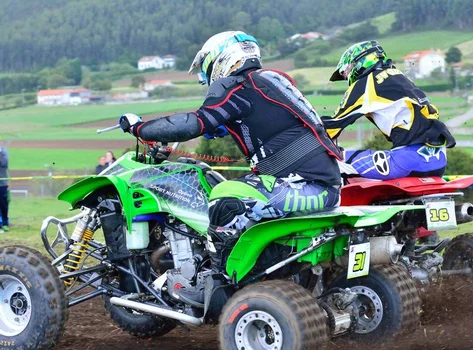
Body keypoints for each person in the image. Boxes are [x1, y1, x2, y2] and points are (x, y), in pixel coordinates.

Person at [118, 31, 342, 301]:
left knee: (224, 200)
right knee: (241, 196)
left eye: (205, 67)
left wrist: (139, 127)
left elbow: (193, 123)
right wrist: (222, 127)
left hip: (300, 187)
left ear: (220, 59)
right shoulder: (273, 80)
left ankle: (217, 288)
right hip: (324, 187)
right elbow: (266, 118)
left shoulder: (234, 86)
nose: (205, 76)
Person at [322, 40, 456, 180]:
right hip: (438, 161)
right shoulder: (399, 76)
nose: (346, 76)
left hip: (406, 161)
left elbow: (332, 127)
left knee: (336, 161)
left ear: (358, 62)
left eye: (346, 71)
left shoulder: (366, 83)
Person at [0, 146, 9, 232]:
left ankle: (5, 224)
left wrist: (0, 153)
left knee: (3, 206)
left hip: (2, 185)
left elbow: (4, 163)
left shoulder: (4, 154)